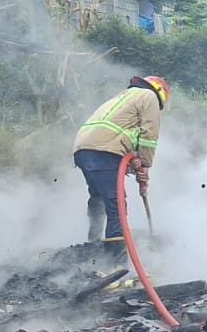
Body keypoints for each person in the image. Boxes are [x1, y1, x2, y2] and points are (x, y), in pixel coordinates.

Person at [72, 75, 170, 251]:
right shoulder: (149, 97)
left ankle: (92, 245)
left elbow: (121, 133)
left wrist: (135, 163)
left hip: (82, 149)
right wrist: (145, 165)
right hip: (104, 151)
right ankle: (115, 260)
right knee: (116, 204)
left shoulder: (122, 97)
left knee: (98, 197)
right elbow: (149, 134)